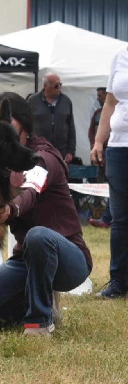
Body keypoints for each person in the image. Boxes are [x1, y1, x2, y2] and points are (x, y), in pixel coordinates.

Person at [0, 92, 92, 336]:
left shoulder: (43, 156)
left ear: (25, 126)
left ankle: (40, 322)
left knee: (38, 237)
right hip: (25, 261)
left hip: (69, 257)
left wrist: (10, 209)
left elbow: (31, 190)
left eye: (9, 126)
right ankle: (32, 299)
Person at [91, 46, 128, 299]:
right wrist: (98, 141)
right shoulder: (120, 55)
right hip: (118, 146)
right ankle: (118, 282)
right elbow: (111, 103)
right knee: (120, 220)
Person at [27, 73, 76, 163]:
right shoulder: (32, 101)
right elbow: (25, 125)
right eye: (56, 86)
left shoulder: (66, 101)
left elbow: (71, 127)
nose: (59, 88)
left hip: (61, 151)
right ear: (46, 86)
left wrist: (71, 151)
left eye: (60, 84)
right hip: (38, 150)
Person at [88, 87, 112, 229]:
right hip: (101, 152)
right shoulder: (97, 114)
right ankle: (99, 212)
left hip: (112, 151)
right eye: (97, 95)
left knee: (113, 184)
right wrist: (95, 144)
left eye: (101, 95)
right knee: (100, 181)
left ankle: (107, 216)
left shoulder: (116, 112)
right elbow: (92, 131)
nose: (98, 98)